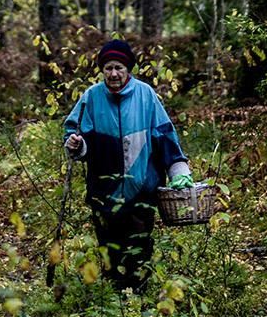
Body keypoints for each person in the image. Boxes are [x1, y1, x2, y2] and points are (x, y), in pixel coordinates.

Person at [62, 38, 192, 291]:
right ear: (102, 70)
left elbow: (165, 135)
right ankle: (113, 300)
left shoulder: (146, 95)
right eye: (108, 68)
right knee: (109, 250)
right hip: (103, 192)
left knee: (139, 248)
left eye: (118, 68)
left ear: (128, 69)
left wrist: (179, 170)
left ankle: (139, 299)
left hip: (142, 190)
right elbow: (74, 133)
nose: (113, 73)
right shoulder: (91, 97)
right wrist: (76, 144)